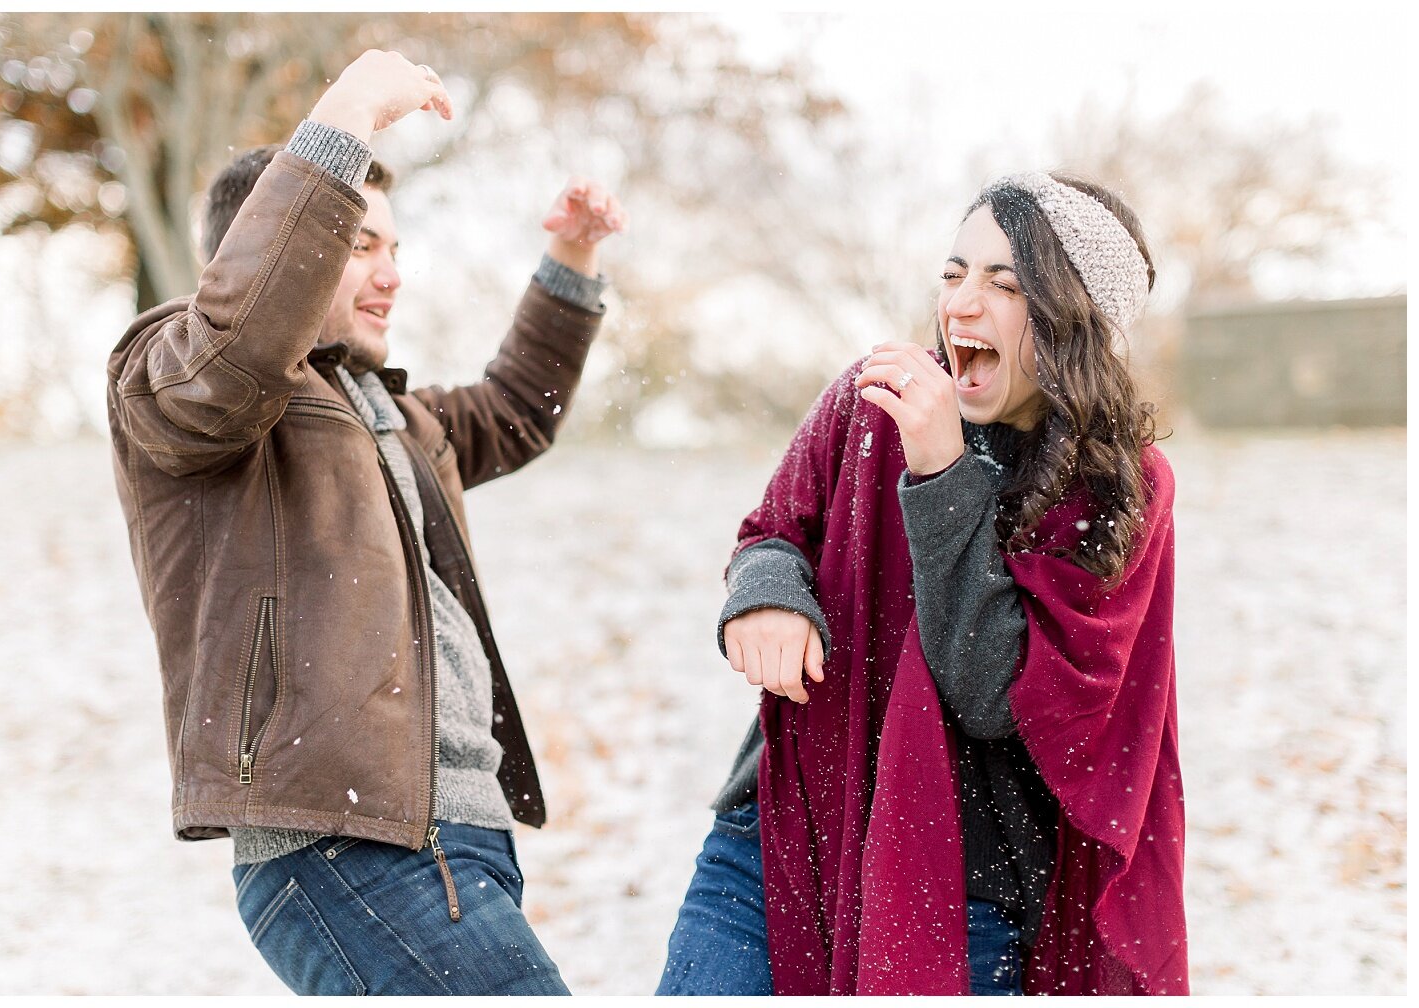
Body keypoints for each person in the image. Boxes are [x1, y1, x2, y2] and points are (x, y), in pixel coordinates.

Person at [107, 51, 627, 995]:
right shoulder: (177, 374)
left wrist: (573, 259)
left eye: (394, 248)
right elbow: (239, 351)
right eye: (358, 244)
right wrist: (345, 114)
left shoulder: (393, 414)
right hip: (341, 842)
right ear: (267, 247)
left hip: (457, 837)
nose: (392, 276)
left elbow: (516, 409)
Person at [656, 172, 1187, 995]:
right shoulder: (875, 397)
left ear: (1074, 318)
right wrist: (767, 598)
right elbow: (773, 535)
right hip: (780, 836)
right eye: (954, 273)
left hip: (965, 885)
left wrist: (942, 471)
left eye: (1005, 285)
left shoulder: (1117, 489)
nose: (963, 303)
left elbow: (995, 692)